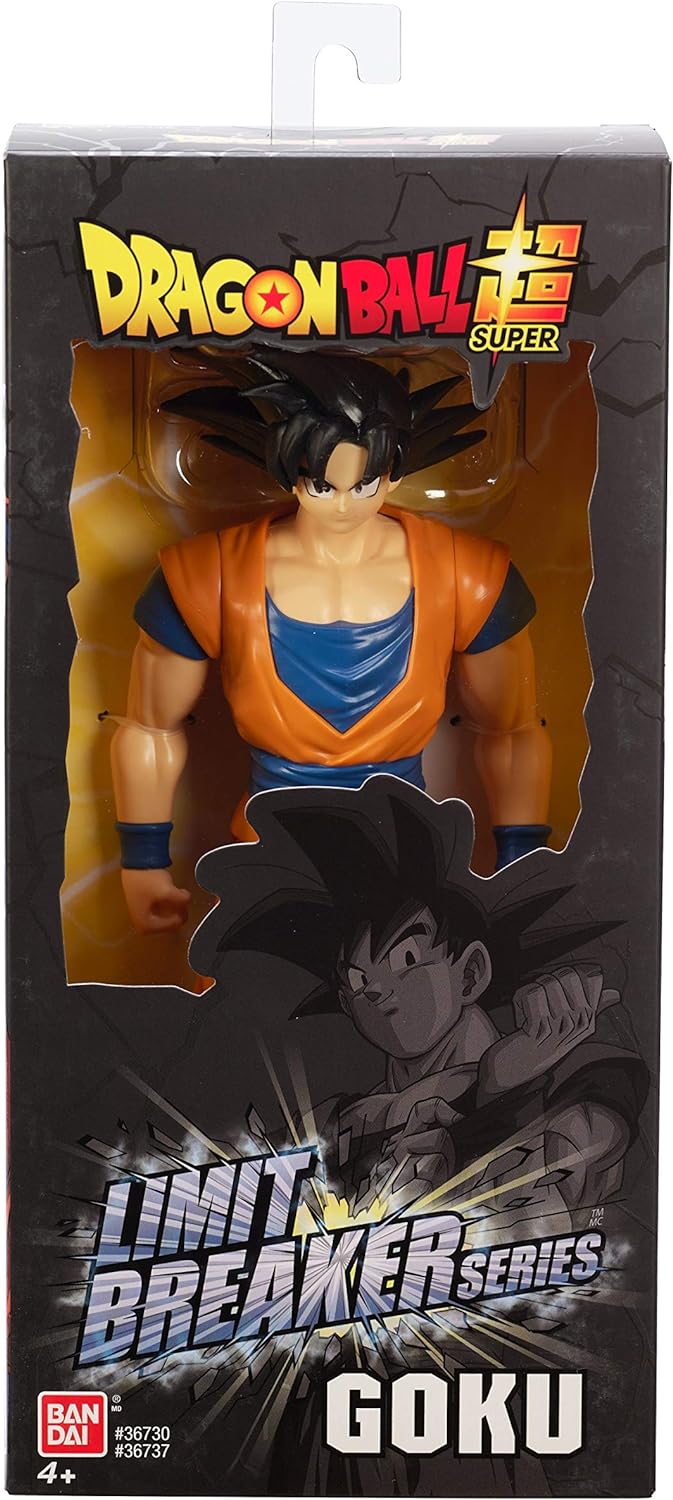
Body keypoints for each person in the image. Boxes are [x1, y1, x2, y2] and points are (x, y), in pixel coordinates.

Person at [112, 349, 551, 935]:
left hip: (407, 860)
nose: (344, 504)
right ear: (287, 469)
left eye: (365, 482)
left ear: (394, 470)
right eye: (321, 484)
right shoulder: (208, 576)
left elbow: (514, 731)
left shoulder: (466, 576)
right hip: (268, 857)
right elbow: (148, 727)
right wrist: (142, 862)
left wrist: (522, 859)